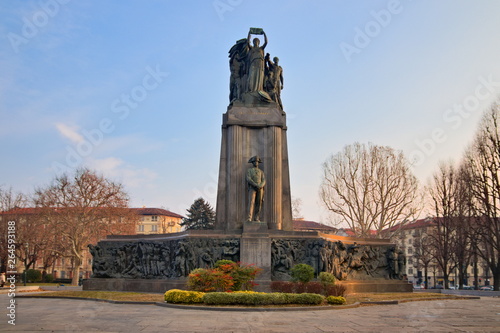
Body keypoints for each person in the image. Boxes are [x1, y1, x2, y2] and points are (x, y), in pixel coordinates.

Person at [246, 155, 266, 221]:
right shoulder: (249, 170)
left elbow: (264, 180)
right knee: (251, 202)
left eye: (257, 161)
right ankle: (249, 217)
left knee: (259, 203)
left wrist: (260, 185)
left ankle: (256, 217)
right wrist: (255, 184)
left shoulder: (261, 172)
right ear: (252, 162)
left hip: (260, 188)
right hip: (252, 187)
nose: (256, 163)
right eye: (254, 161)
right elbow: (248, 178)